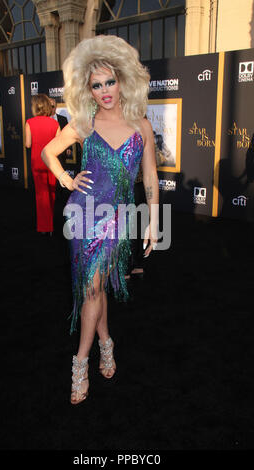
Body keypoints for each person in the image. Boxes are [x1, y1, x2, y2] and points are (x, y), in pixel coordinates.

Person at [41, 35, 159, 405]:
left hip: (117, 217)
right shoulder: (84, 123)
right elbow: (48, 151)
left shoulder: (140, 125)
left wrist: (155, 221)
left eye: (110, 81)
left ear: (124, 79)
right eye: (97, 85)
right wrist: (65, 178)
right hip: (83, 212)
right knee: (95, 287)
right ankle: (100, 347)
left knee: (95, 286)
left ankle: (82, 360)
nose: (105, 90)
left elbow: (151, 177)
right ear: (87, 89)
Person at [25, 94, 60, 235]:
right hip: (52, 162)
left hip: (37, 161)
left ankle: (45, 227)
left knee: (41, 195)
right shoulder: (55, 124)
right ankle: (49, 225)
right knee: (51, 194)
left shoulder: (30, 122)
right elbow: (59, 145)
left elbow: (28, 144)